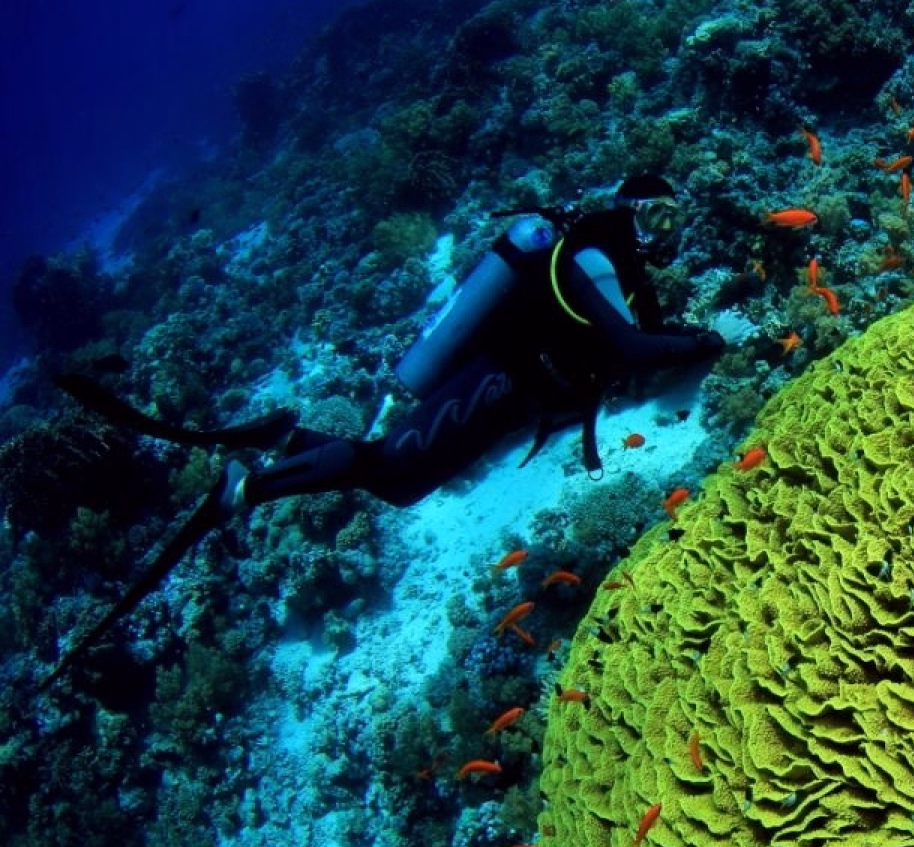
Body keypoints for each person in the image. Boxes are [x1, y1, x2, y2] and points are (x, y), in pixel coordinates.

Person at [47, 173, 726, 682]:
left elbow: (629, 344)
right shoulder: (584, 260)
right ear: (629, 211)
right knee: (395, 474)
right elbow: (632, 350)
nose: (662, 237)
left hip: (509, 394)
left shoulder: (604, 262)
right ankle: (244, 487)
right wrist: (713, 343)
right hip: (493, 386)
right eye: (657, 219)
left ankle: (284, 437)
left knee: (399, 474)